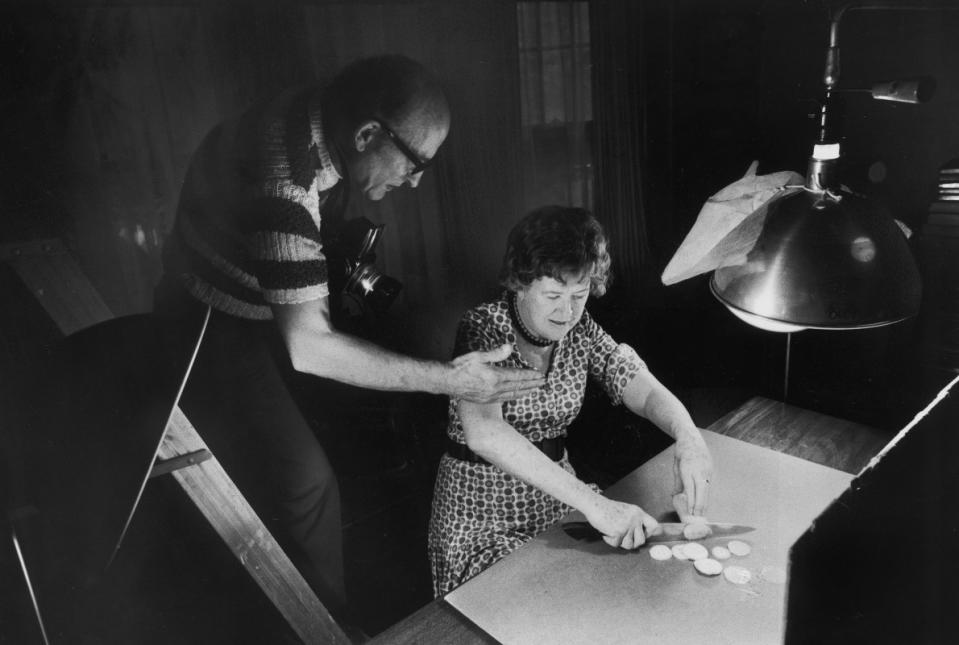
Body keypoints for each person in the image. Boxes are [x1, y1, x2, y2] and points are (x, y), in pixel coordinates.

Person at [153, 55, 544, 618]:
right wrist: (451, 380)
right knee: (306, 484)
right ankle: (324, 630)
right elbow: (309, 346)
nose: (414, 181)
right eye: (414, 163)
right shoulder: (287, 179)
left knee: (358, 437)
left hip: (260, 309)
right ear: (367, 134)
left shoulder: (324, 113)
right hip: (207, 323)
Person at [428, 205, 714, 596]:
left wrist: (689, 436)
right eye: (552, 295)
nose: (567, 312)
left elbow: (637, 384)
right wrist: (596, 507)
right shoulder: (482, 326)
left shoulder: (581, 331)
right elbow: (485, 434)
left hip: (556, 501)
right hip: (482, 515)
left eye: (579, 294)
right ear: (519, 283)